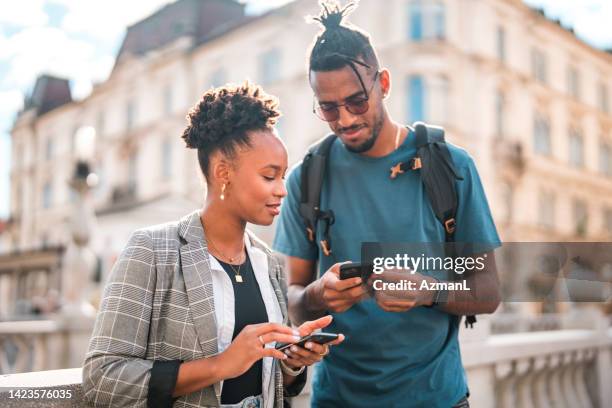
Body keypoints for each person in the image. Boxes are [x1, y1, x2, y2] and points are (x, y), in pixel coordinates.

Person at [273, 2, 501, 407]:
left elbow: (487, 291)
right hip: (336, 399)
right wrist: (317, 295)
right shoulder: (306, 178)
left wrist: (426, 292)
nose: (344, 119)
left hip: (438, 399)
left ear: (384, 83)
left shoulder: (451, 166)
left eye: (357, 101)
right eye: (328, 107)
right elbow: (291, 299)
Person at [82, 82, 344, 408]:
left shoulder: (269, 263)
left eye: (283, 176)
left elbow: (272, 383)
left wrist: (291, 360)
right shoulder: (151, 249)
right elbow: (102, 378)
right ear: (223, 172)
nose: (282, 190)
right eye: (268, 176)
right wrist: (219, 366)